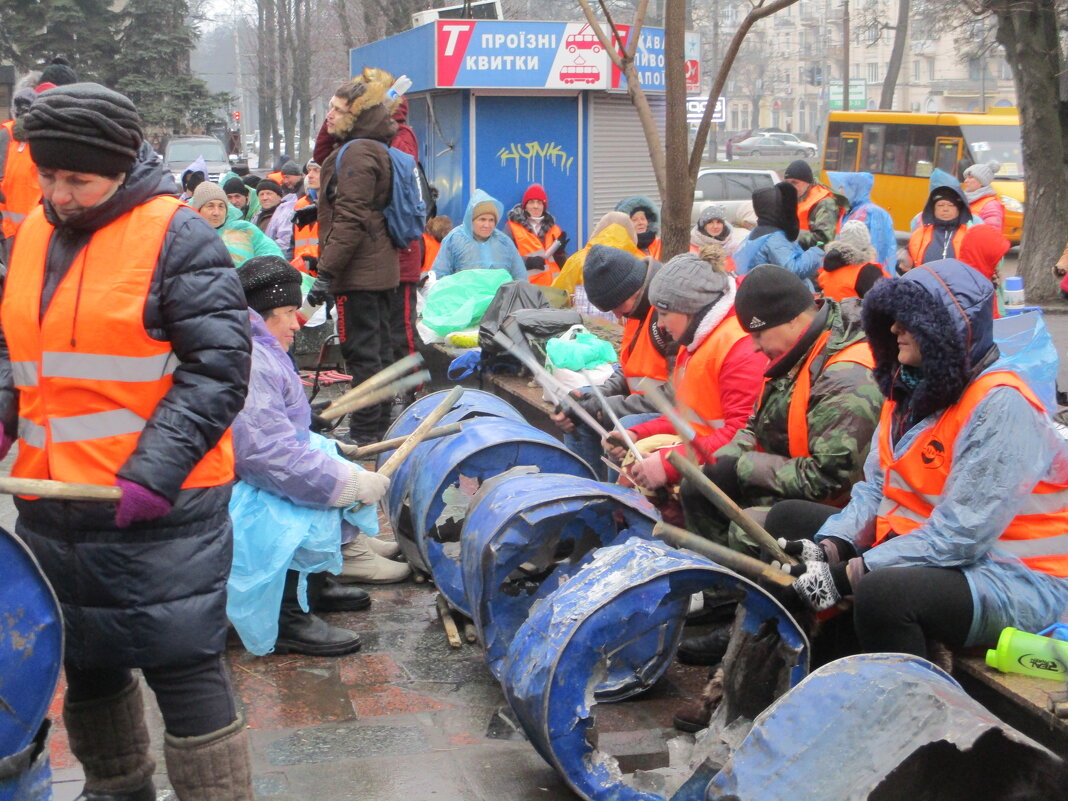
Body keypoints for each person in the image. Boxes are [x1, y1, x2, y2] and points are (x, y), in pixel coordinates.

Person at [0, 83, 254, 799]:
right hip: (54, 502)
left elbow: (218, 370)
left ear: (118, 167)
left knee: (183, 660)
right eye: (48, 175)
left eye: (75, 179)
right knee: (86, 659)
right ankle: (117, 788)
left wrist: (155, 470)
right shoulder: (36, 232)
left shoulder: (177, 236)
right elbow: (13, 342)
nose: (59, 193)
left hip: (157, 505)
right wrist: (4, 412)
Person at [766, 259, 1068, 663]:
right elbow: (875, 487)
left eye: (908, 322)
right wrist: (835, 545)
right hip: (933, 549)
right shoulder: (907, 388)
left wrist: (854, 572)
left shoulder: (1000, 404)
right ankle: (817, 670)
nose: (893, 330)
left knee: (883, 593)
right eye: (890, 320)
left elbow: (961, 535)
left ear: (945, 333)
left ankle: (908, 710)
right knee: (787, 520)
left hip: (1015, 575)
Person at [673, 264, 881, 670]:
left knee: (747, 525)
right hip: (796, 473)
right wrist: (721, 462)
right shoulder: (797, 351)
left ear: (792, 321)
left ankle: (756, 630)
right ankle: (724, 599)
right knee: (700, 488)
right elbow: (755, 424)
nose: (753, 346)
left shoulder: (846, 376)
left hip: (846, 503)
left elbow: (829, 477)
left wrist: (743, 469)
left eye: (758, 334)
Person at [228, 258, 407, 658]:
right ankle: (285, 614)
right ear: (261, 315)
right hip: (234, 491)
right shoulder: (252, 360)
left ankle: (313, 582)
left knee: (322, 459)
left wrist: (328, 450)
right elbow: (266, 456)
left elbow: (283, 433)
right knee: (303, 492)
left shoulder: (261, 347)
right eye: (289, 314)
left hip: (249, 473)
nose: (297, 324)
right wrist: (348, 483)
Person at [604, 254, 766, 496]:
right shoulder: (699, 339)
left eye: (664, 313)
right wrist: (637, 433)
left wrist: (669, 464)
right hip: (703, 452)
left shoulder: (740, 350)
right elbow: (690, 414)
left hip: (728, 472)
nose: (658, 324)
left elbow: (742, 437)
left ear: (690, 309)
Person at [306, 71, 399, 446]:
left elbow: (350, 217)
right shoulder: (363, 146)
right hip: (373, 267)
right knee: (375, 354)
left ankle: (365, 435)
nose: (329, 114)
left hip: (361, 272)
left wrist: (327, 271)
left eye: (337, 109)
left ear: (355, 115)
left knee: (364, 357)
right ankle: (377, 428)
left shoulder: (359, 152)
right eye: (329, 107)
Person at [550, 244, 672, 480]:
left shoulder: (668, 316)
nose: (616, 316)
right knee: (580, 403)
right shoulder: (637, 310)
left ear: (632, 291)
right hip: (645, 402)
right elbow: (629, 370)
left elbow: (677, 397)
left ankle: (614, 504)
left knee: (622, 427)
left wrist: (604, 407)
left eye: (617, 307)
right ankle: (586, 491)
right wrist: (597, 396)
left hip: (675, 412)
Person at [389, 97, 424, 379]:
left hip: (401, 256)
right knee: (397, 327)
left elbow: (401, 206)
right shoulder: (399, 139)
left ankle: (411, 388)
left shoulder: (399, 141)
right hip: (398, 255)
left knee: (402, 328)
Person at [732, 182, 825, 280]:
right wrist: (817, 251)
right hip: (776, 292)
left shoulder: (755, 233)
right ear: (776, 208)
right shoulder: (774, 238)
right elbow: (793, 270)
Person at [429, 189, 526, 281]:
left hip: (500, 298)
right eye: (482, 219)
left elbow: (520, 277)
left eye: (491, 220)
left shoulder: (505, 242)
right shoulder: (454, 239)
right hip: (464, 297)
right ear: (471, 220)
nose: (487, 225)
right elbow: (439, 277)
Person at [190, 181, 283, 267]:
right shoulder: (188, 235)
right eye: (210, 206)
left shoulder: (244, 228)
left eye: (221, 206)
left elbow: (272, 255)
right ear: (198, 210)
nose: (216, 212)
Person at [550, 211, 640, 294]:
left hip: (584, 311)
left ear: (599, 230)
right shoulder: (638, 262)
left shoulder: (579, 259)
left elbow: (557, 295)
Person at [826, 171, 897, 273]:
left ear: (854, 188)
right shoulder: (849, 211)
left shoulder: (872, 212)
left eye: (843, 187)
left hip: (866, 275)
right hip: (852, 273)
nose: (840, 190)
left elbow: (878, 248)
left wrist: (874, 275)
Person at [505, 183, 569, 285]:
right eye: (531, 202)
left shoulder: (555, 230)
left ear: (544, 207)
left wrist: (560, 254)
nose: (535, 206)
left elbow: (563, 266)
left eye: (539, 203)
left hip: (554, 289)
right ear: (525, 206)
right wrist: (527, 262)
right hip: (528, 290)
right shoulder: (511, 228)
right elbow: (505, 258)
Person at [903, 183, 972, 270]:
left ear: (960, 209)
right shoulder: (919, 234)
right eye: (940, 205)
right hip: (923, 281)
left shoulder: (970, 235)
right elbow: (905, 266)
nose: (945, 209)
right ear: (933, 209)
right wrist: (902, 261)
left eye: (951, 205)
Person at [818, 219, 890, 301]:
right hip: (855, 313)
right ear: (867, 241)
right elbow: (884, 301)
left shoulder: (829, 265)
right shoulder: (869, 272)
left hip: (832, 312)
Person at [783, 159, 841, 250]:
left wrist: (787, 239)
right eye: (787, 183)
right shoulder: (791, 198)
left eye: (794, 182)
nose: (790, 186)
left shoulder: (825, 202)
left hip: (817, 259)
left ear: (807, 182)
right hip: (796, 255)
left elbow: (824, 238)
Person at [958, 223, 1011, 318]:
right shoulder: (976, 287)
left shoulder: (977, 277)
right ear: (986, 255)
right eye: (996, 257)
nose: (999, 262)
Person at [290, 159, 320, 275]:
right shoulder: (300, 205)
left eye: (316, 171)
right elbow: (293, 243)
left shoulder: (337, 206)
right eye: (309, 170)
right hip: (302, 275)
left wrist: (316, 262)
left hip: (326, 277)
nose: (309, 175)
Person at [962, 160, 1005, 232]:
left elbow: (992, 233)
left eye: (970, 177)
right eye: (966, 178)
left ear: (982, 182)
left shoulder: (991, 205)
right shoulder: (963, 200)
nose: (966, 181)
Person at [616, 195, 662, 260]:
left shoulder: (661, 244)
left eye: (643, 219)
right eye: (634, 220)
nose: (640, 223)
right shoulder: (622, 249)